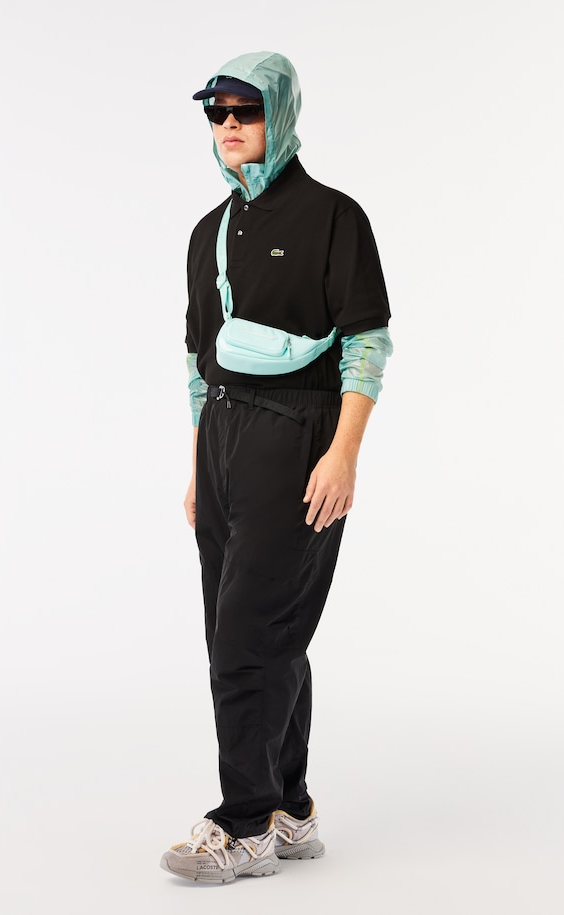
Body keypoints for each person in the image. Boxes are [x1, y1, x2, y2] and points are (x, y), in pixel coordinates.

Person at [160, 51, 393, 884]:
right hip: (222, 439)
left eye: (246, 109)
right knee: (260, 632)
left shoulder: (333, 216)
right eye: (215, 109)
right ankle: (290, 807)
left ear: (280, 115)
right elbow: (199, 363)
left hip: (298, 433)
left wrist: (343, 453)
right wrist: (199, 468)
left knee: (247, 634)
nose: (228, 123)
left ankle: (245, 821)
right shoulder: (207, 232)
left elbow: (366, 341)